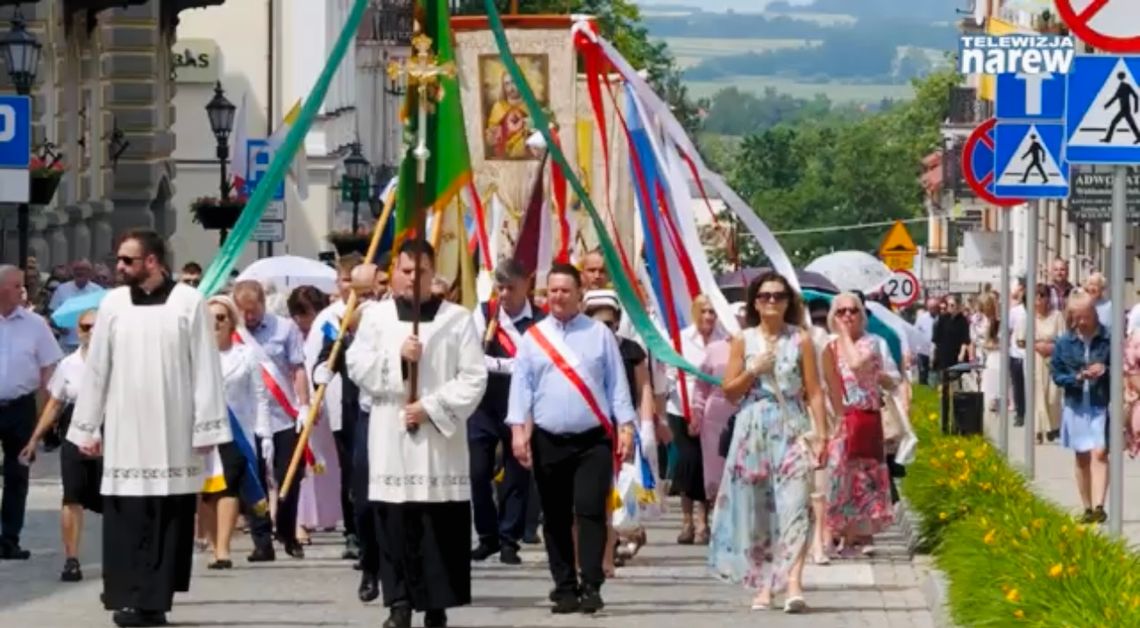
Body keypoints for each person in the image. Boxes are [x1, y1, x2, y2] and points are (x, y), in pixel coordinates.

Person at [66, 229, 231, 627]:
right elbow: (98, 367)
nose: (118, 267)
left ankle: (155, 602)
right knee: (126, 516)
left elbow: (206, 368)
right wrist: (87, 428)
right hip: (125, 430)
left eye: (127, 260)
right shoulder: (114, 303)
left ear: (152, 262)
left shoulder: (188, 303)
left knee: (167, 516)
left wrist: (207, 429)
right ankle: (125, 596)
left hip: (173, 431)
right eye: (119, 259)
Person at [345, 239, 488, 628]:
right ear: (393, 272)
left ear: (432, 274)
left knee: (436, 524)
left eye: (421, 271)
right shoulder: (376, 317)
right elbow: (356, 364)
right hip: (391, 436)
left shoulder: (456, 319)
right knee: (394, 521)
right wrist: (397, 360)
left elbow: (474, 377)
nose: (412, 278)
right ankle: (399, 603)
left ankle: (436, 603)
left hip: (439, 442)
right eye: (406, 271)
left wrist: (429, 407)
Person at [507, 263, 636, 615]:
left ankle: (591, 583)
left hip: (592, 439)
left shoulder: (599, 335)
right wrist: (519, 431)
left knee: (591, 510)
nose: (559, 297)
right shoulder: (534, 338)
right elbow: (522, 389)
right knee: (555, 516)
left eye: (565, 290)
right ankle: (564, 586)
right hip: (548, 439)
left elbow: (616, 386)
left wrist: (625, 426)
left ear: (580, 294)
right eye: (553, 291)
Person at [708, 271, 828, 613]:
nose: (771, 301)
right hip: (753, 429)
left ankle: (793, 582)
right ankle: (763, 584)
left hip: (791, 427)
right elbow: (730, 392)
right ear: (755, 304)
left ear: (789, 302)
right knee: (757, 509)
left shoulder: (801, 339)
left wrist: (820, 434)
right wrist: (753, 370)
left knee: (794, 506)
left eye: (778, 296)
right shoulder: (743, 340)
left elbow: (814, 390)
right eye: (764, 296)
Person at [314, 262, 384, 602]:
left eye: (376, 289)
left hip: (400, 419)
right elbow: (326, 358)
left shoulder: (398, 318)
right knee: (365, 500)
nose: (372, 297)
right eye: (364, 292)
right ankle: (370, 565)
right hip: (360, 419)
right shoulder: (343, 326)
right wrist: (320, 373)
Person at [468, 259, 541, 565]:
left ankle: (509, 538)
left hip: (520, 405)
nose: (506, 293)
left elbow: (535, 363)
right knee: (478, 472)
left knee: (516, 473)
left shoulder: (539, 320)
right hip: (484, 404)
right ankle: (487, 536)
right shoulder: (485, 313)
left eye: (512, 287)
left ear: (527, 285)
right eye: (501, 287)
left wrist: (501, 365)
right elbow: (470, 355)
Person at [232, 279, 311, 559]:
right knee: (254, 482)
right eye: (243, 312)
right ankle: (261, 540)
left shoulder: (285, 328)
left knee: (290, 474)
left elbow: (297, 368)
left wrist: (304, 405)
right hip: (249, 417)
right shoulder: (234, 331)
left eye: (253, 311)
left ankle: (288, 532)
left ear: (263, 305)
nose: (249, 318)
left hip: (283, 415)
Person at [583, 289, 661, 566]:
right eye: (598, 322)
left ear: (617, 321)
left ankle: (622, 536)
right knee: (599, 487)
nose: (606, 328)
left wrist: (648, 425)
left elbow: (644, 387)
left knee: (624, 484)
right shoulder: (580, 351)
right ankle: (607, 544)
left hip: (624, 426)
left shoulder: (631, 350)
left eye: (610, 323)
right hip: (593, 424)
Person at [198, 295, 275, 568]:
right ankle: (211, 540)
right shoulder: (195, 356)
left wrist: (264, 433)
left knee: (229, 486)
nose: (215, 323)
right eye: (210, 317)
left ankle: (223, 550)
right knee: (208, 491)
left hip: (237, 432)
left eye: (221, 317)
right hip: (202, 431)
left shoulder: (245, 355)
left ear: (231, 321)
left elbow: (259, 396)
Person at [21, 308, 98, 581]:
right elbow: (55, 404)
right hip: (75, 431)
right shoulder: (69, 364)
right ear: (78, 331)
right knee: (72, 497)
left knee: (115, 501)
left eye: (96, 327)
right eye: (86, 327)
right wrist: (34, 439)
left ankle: (119, 557)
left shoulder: (120, 362)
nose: (91, 332)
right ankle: (72, 558)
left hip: (110, 432)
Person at [821, 293, 896, 557]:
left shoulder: (871, 343)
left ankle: (859, 535)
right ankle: (836, 534)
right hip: (838, 418)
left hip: (864, 417)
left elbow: (855, 364)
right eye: (841, 312)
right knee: (837, 477)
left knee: (863, 477)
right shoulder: (827, 346)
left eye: (853, 311)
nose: (847, 316)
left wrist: (842, 334)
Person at [0, 264, 63, 561]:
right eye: (17, 286)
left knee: (17, 474)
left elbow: (49, 366)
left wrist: (44, 412)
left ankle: (8, 538)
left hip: (20, 407)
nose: (22, 291)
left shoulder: (35, 324)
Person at [305, 253, 362, 559]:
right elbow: (314, 356)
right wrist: (316, 387)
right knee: (350, 471)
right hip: (341, 403)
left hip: (372, 403)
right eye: (344, 279)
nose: (349, 286)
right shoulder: (329, 318)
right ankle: (352, 531)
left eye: (355, 279)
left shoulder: (375, 311)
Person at [665, 296, 725, 544]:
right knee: (687, 463)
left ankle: (703, 521)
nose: (708, 317)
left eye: (712, 312)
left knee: (706, 464)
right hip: (681, 407)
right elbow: (669, 373)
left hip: (712, 410)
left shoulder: (724, 341)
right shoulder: (681, 339)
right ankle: (686, 520)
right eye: (704, 311)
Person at [288, 286, 342, 542]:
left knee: (325, 465)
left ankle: (326, 514)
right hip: (300, 403)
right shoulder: (292, 333)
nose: (302, 320)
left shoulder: (325, 325)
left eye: (307, 313)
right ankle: (302, 520)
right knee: (306, 466)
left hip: (325, 403)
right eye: (298, 314)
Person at [1051, 293, 1111, 525]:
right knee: (1082, 456)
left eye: (1087, 316)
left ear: (1094, 313)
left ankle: (1099, 506)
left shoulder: (1108, 338)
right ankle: (1086, 506)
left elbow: (1120, 366)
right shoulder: (1065, 342)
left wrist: (1104, 369)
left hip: (1099, 403)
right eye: (1079, 318)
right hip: (1076, 405)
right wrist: (1077, 376)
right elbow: (1056, 374)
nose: (1083, 322)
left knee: (1100, 453)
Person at [1016, 285, 1063, 443]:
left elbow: (1064, 339)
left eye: (1042, 296)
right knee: (1037, 394)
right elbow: (1020, 341)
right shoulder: (1028, 318)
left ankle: (1053, 427)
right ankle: (1037, 430)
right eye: (1035, 297)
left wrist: (1052, 347)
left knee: (1052, 396)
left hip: (1053, 359)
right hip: (1035, 358)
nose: (1039, 300)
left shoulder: (1057, 316)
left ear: (1048, 298)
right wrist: (1037, 346)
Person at [48, 259, 102, 353]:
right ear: (72, 271)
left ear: (90, 272)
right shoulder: (62, 289)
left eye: (83, 269)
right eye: (77, 269)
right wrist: (59, 327)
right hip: (66, 344)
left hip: (89, 344)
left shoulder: (97, 291)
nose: (80, 272)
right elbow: (52, 313)